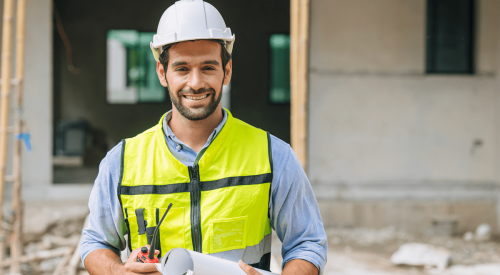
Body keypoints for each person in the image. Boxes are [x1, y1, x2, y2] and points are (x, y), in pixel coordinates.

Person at [81, 1, 327, 274]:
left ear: (227, 71)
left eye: (208, 67)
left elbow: (307, 243)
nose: (196, 82)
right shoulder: (122, 162)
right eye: (182, 68)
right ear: (163, 73)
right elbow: (95, 242)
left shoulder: (272, 156)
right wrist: (118, 271)